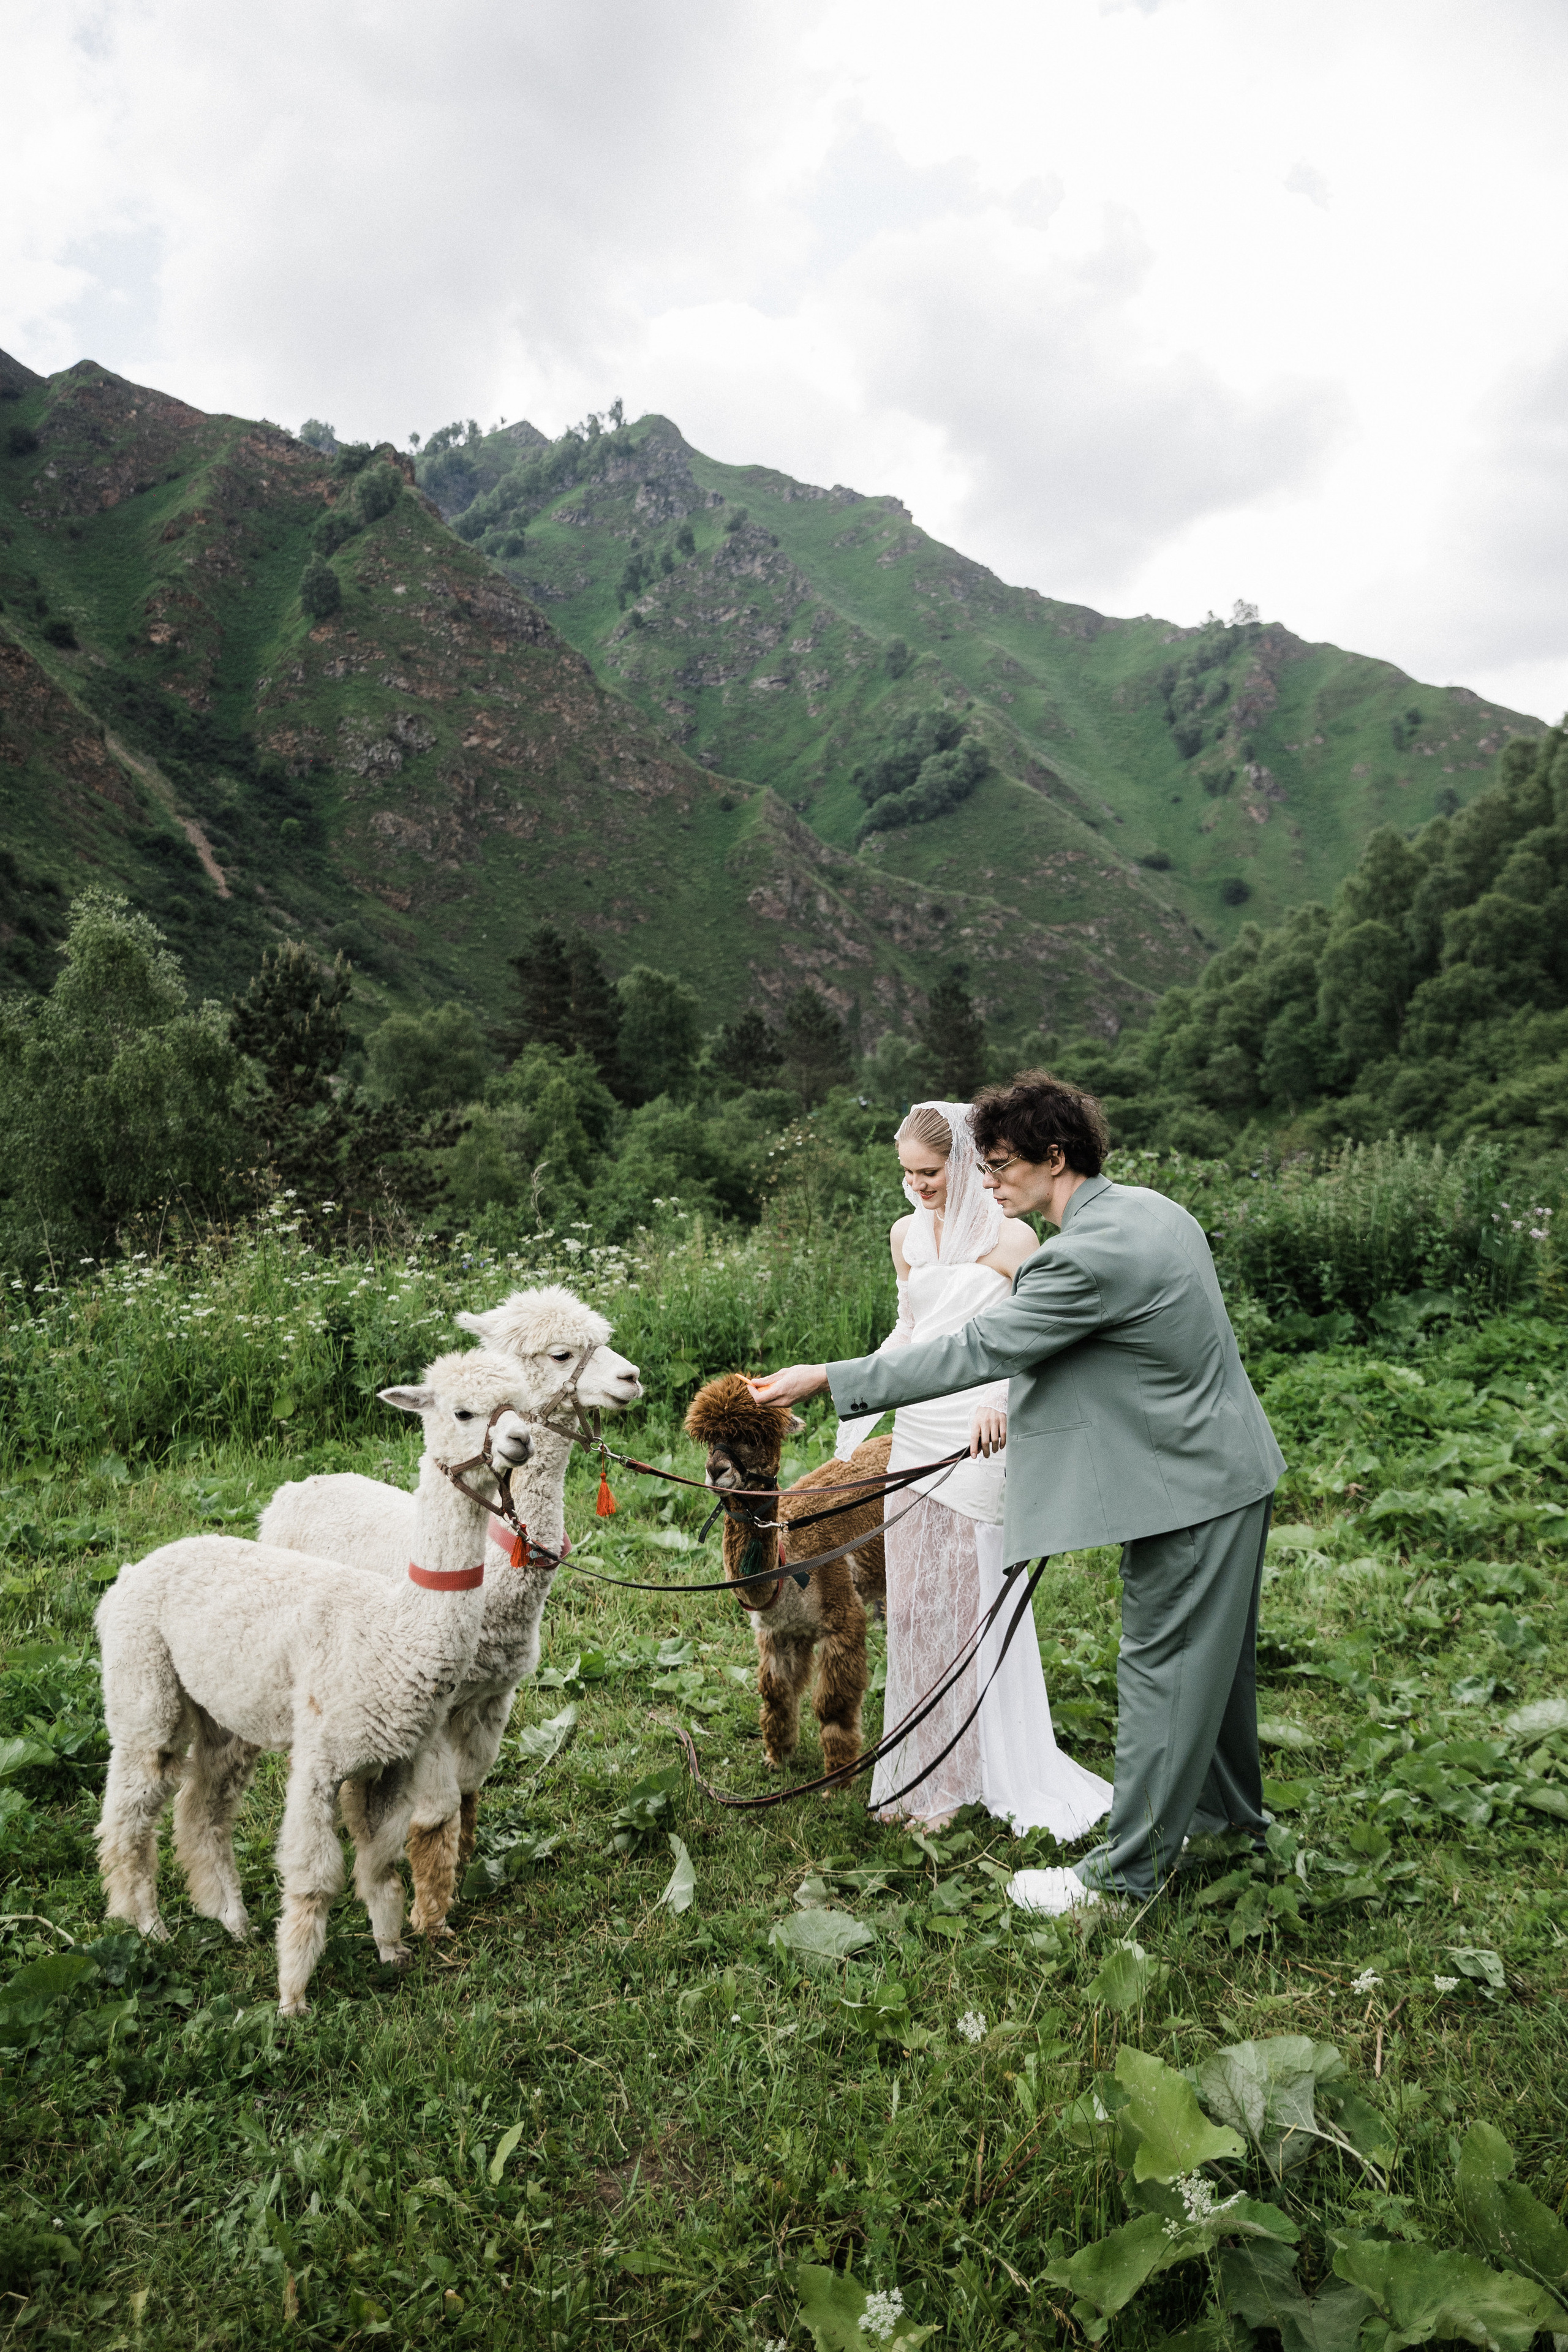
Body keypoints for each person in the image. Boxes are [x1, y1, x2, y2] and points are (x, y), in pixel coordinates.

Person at [750, 1071, 1285, 1913]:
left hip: (1186, 1490)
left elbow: (976, 1352)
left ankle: (1123, 1878)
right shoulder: (1152, 1210)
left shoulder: (1082, 1258)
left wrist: (830, 1377)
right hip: (1232, 1469)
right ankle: (1228, 1823)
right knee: (1217, 1673)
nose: (988, 1181)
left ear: (1054, 1156)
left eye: (999, 1164)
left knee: (1159, 1671)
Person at [837, 1099, 1112, 1840]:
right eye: (906, 1174)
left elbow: (1039, 1331)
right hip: (917, 1426)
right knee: (914, 1604)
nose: (916, 1187)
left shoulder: (1011, 1236)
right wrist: (856, 1402)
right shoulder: (905, 1235)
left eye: (928, 1173)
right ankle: (923, 1761)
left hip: (978, 1430)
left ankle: (963, 1774)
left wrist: (1000, 1398)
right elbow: (910, 1329)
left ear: (962, 1162)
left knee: (965, 1599)